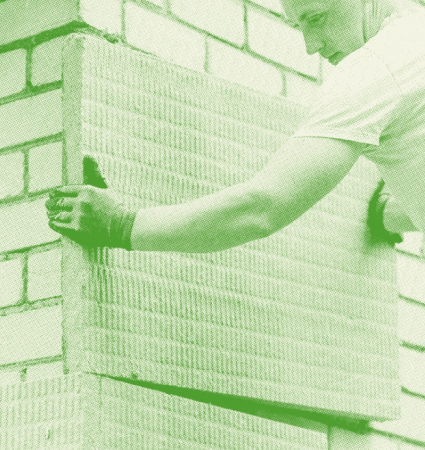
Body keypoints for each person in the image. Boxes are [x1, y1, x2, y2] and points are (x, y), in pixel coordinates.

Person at [46, 0, 424, 252]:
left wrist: (120, 225)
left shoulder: (376, 68)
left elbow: (262, 207)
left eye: (316, 17)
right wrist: (391, 215)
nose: (311, 45)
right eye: (298, 25)